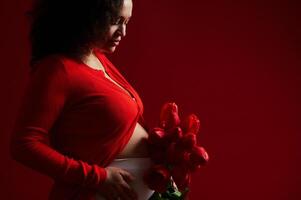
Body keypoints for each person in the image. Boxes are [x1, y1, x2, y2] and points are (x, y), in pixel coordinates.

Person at [9, 0, 154, 199]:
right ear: (86, 17)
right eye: (115, 21)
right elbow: (24, 144)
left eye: (127, 22)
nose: (123, 32)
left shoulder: (97, 58)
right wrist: (97, 178)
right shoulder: (57, 69)